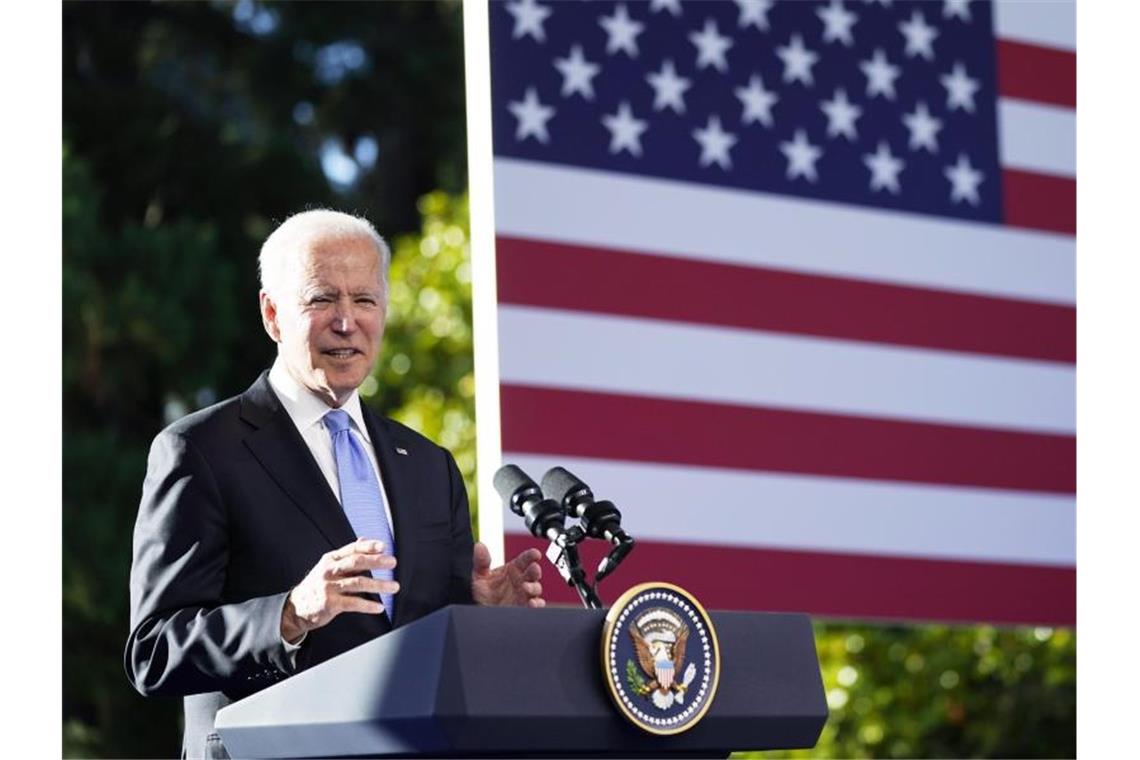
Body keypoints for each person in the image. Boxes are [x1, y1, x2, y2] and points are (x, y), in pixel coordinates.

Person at [125, 209, 543, 759]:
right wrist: (291, 613)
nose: (347, 322)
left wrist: (480, 621)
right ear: (273, 314)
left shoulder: (428, 464)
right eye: (322, 299)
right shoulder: (200, 450)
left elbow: (430, 647)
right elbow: (154, 651)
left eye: (365, 300)